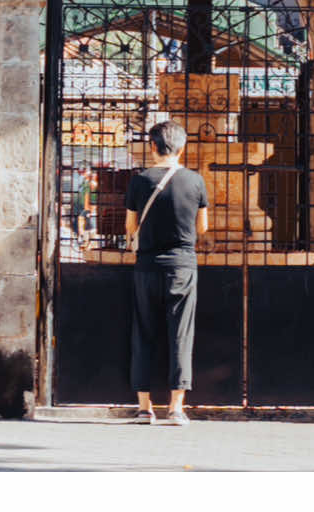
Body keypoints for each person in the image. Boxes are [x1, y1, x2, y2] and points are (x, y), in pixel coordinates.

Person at [123, 119, 208, 426]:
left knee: (143, 332)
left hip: (147, 266)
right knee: (181, 335)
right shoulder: (195, 181)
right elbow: (203, 227)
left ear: (152, 147)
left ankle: (144, 407)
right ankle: (176, 407)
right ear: (182, 148)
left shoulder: (139, 181)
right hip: (183, 266)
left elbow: (131, 226)